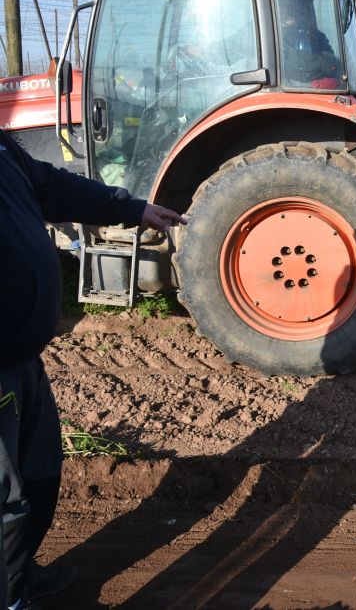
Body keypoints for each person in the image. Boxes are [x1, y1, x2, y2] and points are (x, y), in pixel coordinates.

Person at [0, 126, 184, 609]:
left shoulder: (1, 146)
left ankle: (18, 578)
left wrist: (132, 208)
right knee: (5, 500)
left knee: (38, 475)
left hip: (21, 356)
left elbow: (50, 187)